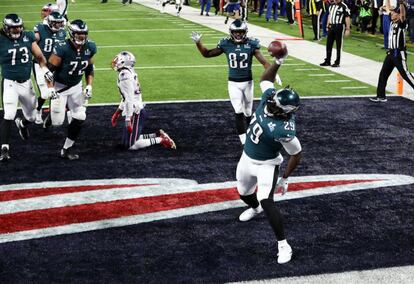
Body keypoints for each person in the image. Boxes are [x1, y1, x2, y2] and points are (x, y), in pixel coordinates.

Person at [235, 53, 302, 264]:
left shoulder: (284, 129)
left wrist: (286, 177)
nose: (270, 104)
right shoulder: (270, 98)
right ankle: (253, 208)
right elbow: (266, 80)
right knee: (243, 193)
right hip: (247, 158)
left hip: (267, 165)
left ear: (286, 112)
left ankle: (284, 245)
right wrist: (278, 62)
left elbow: (296, 153)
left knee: (267, 200)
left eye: (275, 106)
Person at [191, 20, 271, 145]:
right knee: (238, 110)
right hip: (233, 83)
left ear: (245, 32)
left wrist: (273, 73)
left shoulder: (252, 44)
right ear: (231, 32)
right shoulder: (226, 44)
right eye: (236, 32)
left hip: (248, 82)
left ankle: (252, 133)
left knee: (248, 111)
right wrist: (198, 43)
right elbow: (207, 54)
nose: (238, 35)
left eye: (240, 32)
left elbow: (265, 63)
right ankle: (243, 140)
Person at [0, 14, 53, 162]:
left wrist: (45, 69)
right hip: (10, 83)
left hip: (26, 83)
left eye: (18, 26)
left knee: (31, 116)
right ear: (6, 28)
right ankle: (4, 148)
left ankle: (22, 124)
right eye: (13, 27)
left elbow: (40, 57)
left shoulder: (28, 36)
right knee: (9, 114)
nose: (17, 29)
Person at [46, 19, 96, 160]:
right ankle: (53, 114)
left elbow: (90, 68)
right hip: (60, 87)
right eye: (78, 33)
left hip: (76, 87)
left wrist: (89, 85)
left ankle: (67, 148)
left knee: (80, 116)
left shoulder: (90, 47)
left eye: (84, 33)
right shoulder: (62, 48)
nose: (82, 36)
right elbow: (49, 72)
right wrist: (50, 88)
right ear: (71, 33)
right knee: (57, 122)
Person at [110, 51, 177, 150]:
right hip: (133, 109)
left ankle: (161, 140)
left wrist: (128, 119)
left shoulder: (124, 75)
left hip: (135, 111)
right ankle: (157, 134)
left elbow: (129, 98)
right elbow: (125, 98)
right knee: (126, 142)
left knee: (131, 146)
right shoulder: (128, 72)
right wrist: (117, 113)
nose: (115, 62)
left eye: (118, 60)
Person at [370, 0, 414, 102]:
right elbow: (388, 9)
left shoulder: (402, 23)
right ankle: (381, 96)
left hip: (398, 54)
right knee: (383, 74)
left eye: (395, 13)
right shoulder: (391, 21)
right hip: (390, 54)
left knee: (406, 75)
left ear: (398, 15)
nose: (392, 13)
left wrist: (402, 4)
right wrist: (388, 2)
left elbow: (403, 15)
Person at [33, 11, 66, 124]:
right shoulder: (41, 28)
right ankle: (37, 111)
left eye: (59, 23)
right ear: (50, 22)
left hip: (55, 65)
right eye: (56, 23)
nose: (58, 25)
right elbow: (33, 42)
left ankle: (55, 114)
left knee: (59, 90)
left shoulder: (62, 32)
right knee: (45, 94)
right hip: (40, 65)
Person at [320, 0, 351, 67]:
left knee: (338, 45)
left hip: (339, 26)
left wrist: (347, 29)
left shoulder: (344, 6)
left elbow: (347, 17)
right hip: (331, 26)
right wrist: (327, 25)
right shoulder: (331, 5)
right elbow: (329, 15)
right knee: (329, 44)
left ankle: (337, 61)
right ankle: (327, 60)